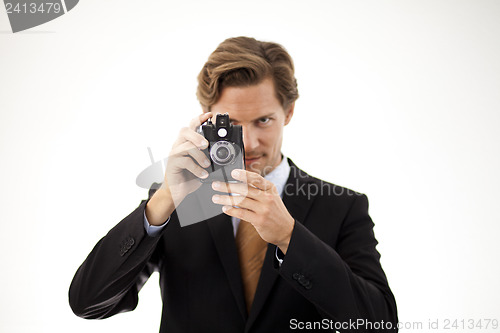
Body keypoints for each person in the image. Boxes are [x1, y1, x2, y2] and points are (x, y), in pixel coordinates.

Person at [69, 36, 398, 332]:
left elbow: (380, 324)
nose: (251, 143)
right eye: (233, 124)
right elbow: (88, 303)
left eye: (263, 120)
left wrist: (289, 237)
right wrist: (164, 199)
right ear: (207, 116)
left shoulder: (340, 206)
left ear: (289, 112)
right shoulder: (176, 202)